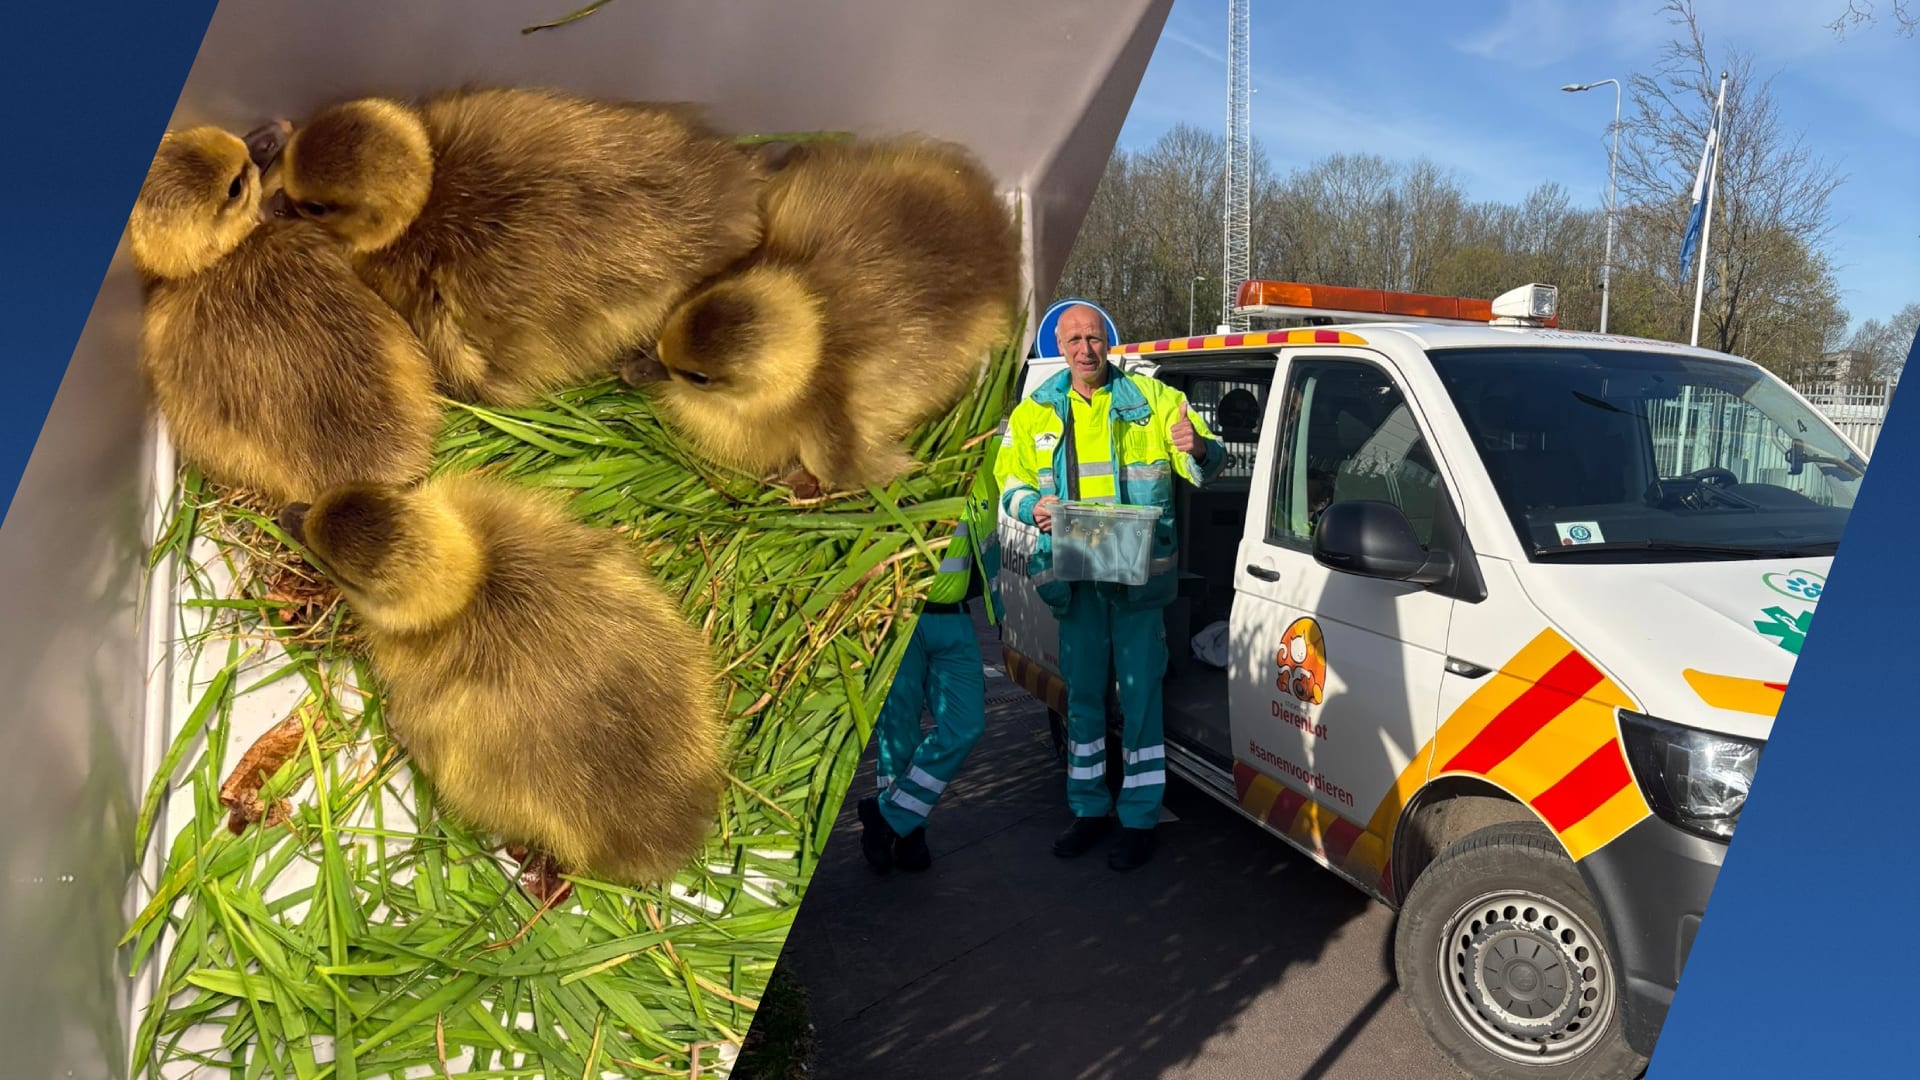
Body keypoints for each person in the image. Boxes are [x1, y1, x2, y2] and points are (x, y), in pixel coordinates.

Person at [994, 304, 1225, 871]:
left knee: (1142, 697)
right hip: (1076, 582)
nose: (1084, 349)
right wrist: (1031, 505)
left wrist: (1196, 448)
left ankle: (1140, 817)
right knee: (1085, 701)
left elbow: (1207, 458)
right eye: (1073, 339)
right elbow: (1010, 481)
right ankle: (1088, 809)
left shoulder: (1156, 402)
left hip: (1137, 580)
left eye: (1092, 338)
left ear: (1109, 342)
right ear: (1060, 344)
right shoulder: (1034, 413)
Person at [857, 425, 1006, 873]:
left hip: (956, 618)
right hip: (898, 617)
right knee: (897, 731)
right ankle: (910, 835)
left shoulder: (988, 445)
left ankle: (889, 816)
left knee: (965, 724)